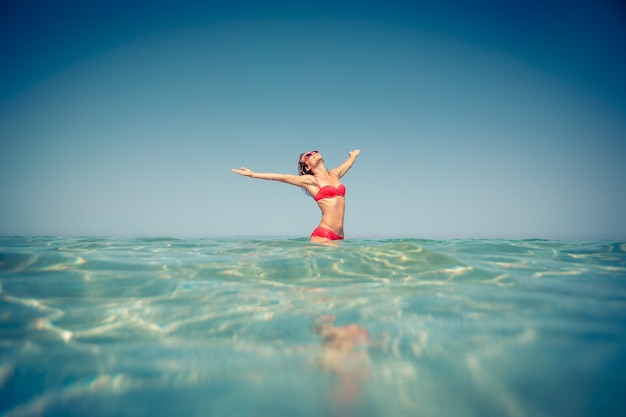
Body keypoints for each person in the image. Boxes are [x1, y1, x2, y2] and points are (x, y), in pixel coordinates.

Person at [231, 149, 360, 243]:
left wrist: (353, 156)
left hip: (339, 236)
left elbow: (347, 164)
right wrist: (253, 174)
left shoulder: (334, 174)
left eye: (315, 151)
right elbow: (283, 178)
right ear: (307, 166)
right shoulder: (310, 181)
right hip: (324, 235)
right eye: (308, 155)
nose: (314, 153)